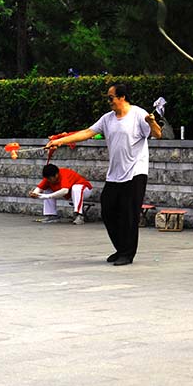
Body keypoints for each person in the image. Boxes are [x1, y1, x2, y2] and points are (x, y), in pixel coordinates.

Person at [45, 83, 162, 266]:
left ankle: (127, 253)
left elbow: (157, 134)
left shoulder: (138, 114)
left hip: (135, 172)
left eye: (111, 98)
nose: (109, 102)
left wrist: (152, 122)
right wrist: (59, 141)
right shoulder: (107, 119)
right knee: (108, 210)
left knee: (129, 213)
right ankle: (120, 248)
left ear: (122, 97)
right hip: (115, 174)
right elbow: (86, 133)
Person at [29, 164, 93, 225]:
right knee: (47, 189)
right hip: (70, 194)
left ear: (56, 175)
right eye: (47, 179)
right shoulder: (48, 179)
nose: (49, 180)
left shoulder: (65, 175)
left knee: (76, 188)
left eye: (50, 179)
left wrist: (48, 196)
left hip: (85, 190)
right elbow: (39, 188)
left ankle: (79, 215)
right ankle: (51, 215)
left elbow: (64, 191)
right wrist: (34, 194)